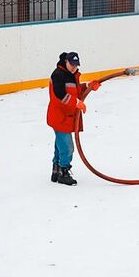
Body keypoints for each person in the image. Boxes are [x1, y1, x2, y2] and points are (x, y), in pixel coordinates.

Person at [46, 51, 104, 186]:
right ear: (66, 62)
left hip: (66, 117)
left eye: (76, 65)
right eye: (71, 64)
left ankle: (56, 170)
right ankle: (63, 172)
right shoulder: (58, 75)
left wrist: (88, 86)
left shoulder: (72, 75)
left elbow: (75, 91)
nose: (74, 67)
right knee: (67, 147)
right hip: (60, 117)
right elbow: (60, 95)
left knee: (60, 145)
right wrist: (77, 103)